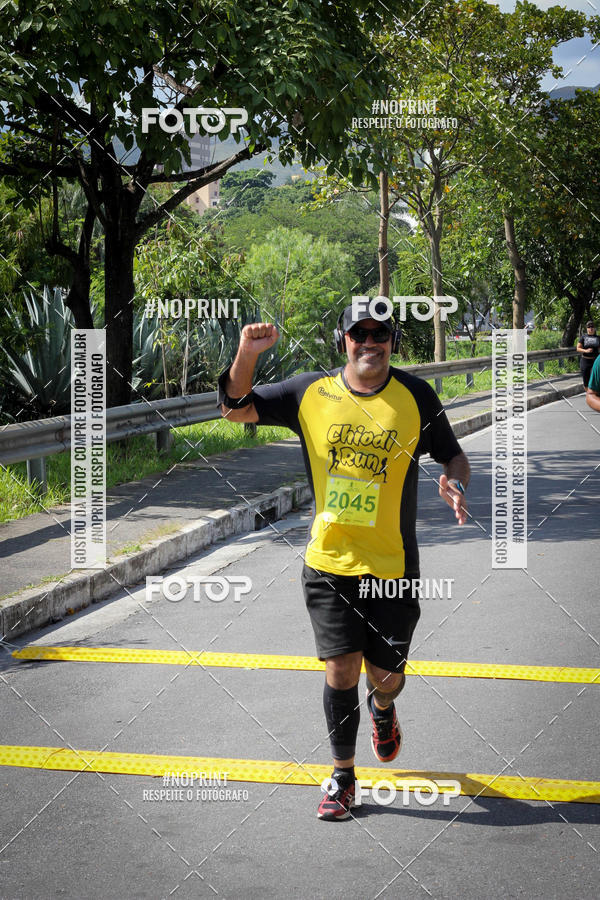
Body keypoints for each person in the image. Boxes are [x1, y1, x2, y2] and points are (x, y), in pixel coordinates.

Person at [218, 302, 470, 821]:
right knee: (340, 670)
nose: (370, 342)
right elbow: (234, 405)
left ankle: (384, 709)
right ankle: (343, 775)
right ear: (344, 341)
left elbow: (452, 453)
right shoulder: (308, 392)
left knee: (384, 677)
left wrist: (456, 479)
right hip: (328, 563)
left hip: (393, 567)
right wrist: (247, 351)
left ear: (393, 342)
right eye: (360, 333)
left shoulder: (417, 397)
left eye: (381, 333)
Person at [576, 321, 600, 388]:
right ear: (587, 328)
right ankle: (588, 394)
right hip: (585, 360)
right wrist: (585, 351)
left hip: (595, 360)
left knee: (596, 379)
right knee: (586, 380)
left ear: (594, 328)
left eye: (592, 327)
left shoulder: (598, 338)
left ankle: (595, 394)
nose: (591, 328)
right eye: (589, 327)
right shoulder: (583, 337)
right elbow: (578, 348)